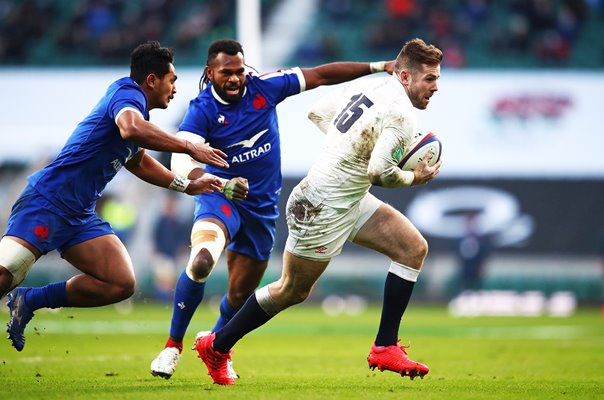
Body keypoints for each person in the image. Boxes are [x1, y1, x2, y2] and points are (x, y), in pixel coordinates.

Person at [193, 38, 443, 385]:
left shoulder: (373, 86)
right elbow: (380, 173)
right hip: (321, 206)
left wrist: (350, 147)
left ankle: (385, 346)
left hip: (348, 197)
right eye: (428, 78)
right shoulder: (401, 114)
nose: (435, 87)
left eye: (437, 78)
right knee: (291, 290)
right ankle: (217, 346)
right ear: (404, 76)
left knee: (412, 248)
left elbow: (318, 112)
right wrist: (415, 177)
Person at [150, 38, 397, 379]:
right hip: (220, 197)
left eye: (239, 71)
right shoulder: (202, 109)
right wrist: (220, 184)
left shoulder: (264, 87)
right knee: (203, 259)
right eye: (226, 73)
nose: (235, 79)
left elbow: (321, 75)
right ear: (210, 72)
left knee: (239, 294)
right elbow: (179, 159)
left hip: (261, 209)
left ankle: (217, 347)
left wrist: (378, 67)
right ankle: (172, 347)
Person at [0, 40, 232, 352]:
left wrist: (187, 185)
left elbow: (139, 162)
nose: (175, 88)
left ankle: (28, 300)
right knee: (7, 271)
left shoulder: (139, 115)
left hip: (79, 214)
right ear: (152, 80)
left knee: (120, 282)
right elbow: (130, 130)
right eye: (172, 80)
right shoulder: (126, 94)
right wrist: (189, 146)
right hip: (48, 200)